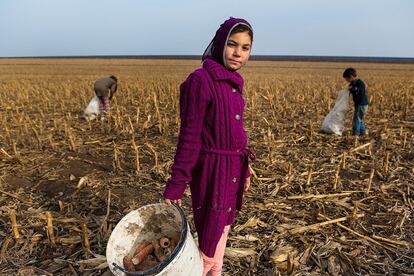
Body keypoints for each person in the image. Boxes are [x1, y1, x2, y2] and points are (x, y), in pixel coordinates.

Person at [163, 17, 255, 276]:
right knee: (207, 248)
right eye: (232, 44)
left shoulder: (235, 83)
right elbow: (189, 138)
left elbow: (237, 133)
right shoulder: (201, 81)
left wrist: (245, 171)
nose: (238, 53)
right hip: (212, 175)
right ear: (219, 44)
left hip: (231, 173)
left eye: (245, 47)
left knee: (220, 239)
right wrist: (176, 184)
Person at [343, 68, 369, 136]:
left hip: (362, 104)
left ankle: (356, 133)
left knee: (357, 119)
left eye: (347, 79)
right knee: (360, 118)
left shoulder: (360, 83)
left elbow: (359, 91)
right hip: (359, 104)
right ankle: (363, 131)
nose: (346, 81)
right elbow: (351, 89)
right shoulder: (353, 83)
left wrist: (352, 89)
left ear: (351, 76)